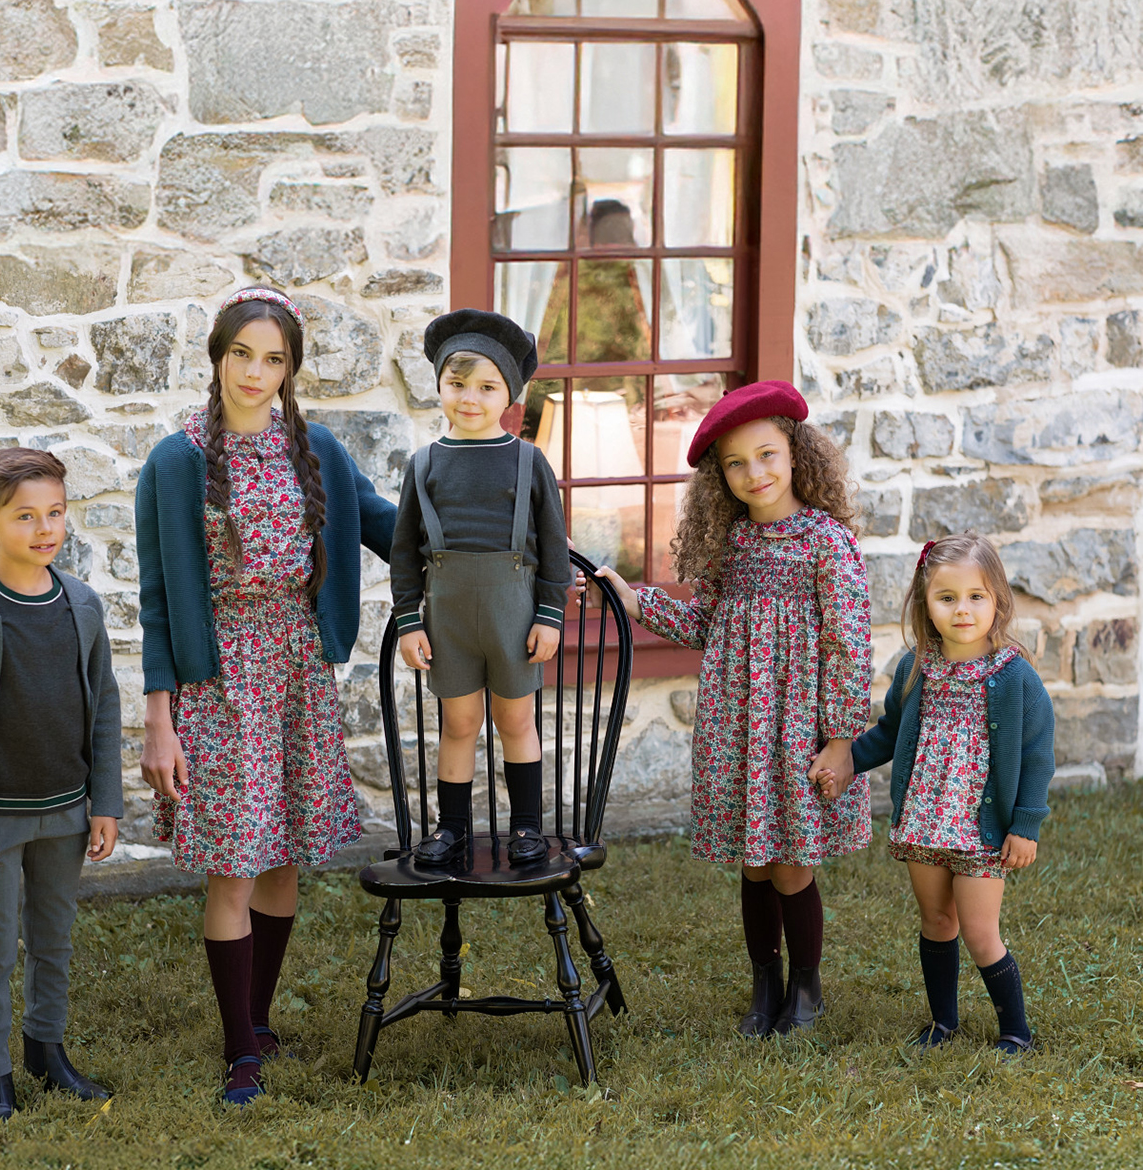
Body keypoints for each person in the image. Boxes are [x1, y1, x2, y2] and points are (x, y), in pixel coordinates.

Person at [135, 285, 395, 1105]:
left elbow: (397, 529)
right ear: (217, 356)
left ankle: (258, 1017)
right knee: (235, 863)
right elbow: (156, 600)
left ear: (290, 369)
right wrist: (159, 720)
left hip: (296, 671)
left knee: (283, 855)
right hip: (220, 680)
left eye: (273, 359)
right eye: (241, 354)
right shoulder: (177, 460)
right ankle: (239, 1050)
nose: (254, 372)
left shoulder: (319, 451)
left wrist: (509, 532)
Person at [591, 380, 871, 1035]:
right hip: (738, 723)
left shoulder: (826, 541)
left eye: (767, 455)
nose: (755, 473)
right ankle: (764, 985)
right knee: (755, 860)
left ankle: (806, 988)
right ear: (720, 476)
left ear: (796, 452)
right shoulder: (734, 542)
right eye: (736, 463)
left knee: (792, 862)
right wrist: (636, 602)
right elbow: (707, 622)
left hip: (799, 726)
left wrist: (840, 740)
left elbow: (849, 644)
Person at [0, 447, 123, 1123]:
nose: (45, 529)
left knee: (53, 939)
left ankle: (46, 1050)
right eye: (25, 516)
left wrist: (105, 802)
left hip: (66, 811)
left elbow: (104, 703)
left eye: (56, 513)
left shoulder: (82, 605)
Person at [826, 532, 1054, 1054]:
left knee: (979, 931)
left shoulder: (1017, 678)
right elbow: (889, 732)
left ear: (997, 600)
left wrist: (1025, 826)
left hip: (981, 829)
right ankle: (942, 1022)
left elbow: (1038, 756)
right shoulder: (914, 669)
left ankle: (1016, 1032)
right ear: (926, 605)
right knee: (936, 921)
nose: (962, 609)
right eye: (947, 597)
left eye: (976, 596)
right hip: (924, 820)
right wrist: (847, 762)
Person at [390, 309, 571, 869]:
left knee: (516, 722)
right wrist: (409, 622)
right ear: (440, 386)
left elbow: (554, 547)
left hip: (513, 614)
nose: (470, 398)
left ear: (510, 394)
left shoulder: (528, 461)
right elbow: (404, 552)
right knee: (459, 724)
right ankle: (452, 829)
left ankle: (526, 828)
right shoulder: (424, 463)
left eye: (487, 387)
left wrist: (549, 614)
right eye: (458, 384)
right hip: (447, 617)